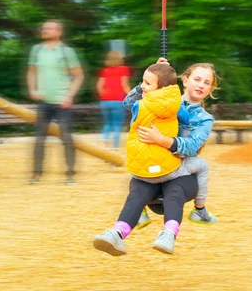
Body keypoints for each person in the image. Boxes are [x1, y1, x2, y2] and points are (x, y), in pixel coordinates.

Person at [93, 60, 220, 255]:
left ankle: (167, 236)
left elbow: (192, 146)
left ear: (211, 88)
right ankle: (116, 234)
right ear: (184, 80)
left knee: (175, 188)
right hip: (153, 171)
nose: (201, 84)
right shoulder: (158, 96)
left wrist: (162, 140)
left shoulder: (204, 118)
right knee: (138, 188)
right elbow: (128, 103)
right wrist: (158, 77)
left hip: (180, 173)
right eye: (197, 79)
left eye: (206, 82)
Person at [26, 20, 84, 185]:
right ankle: (36, 175)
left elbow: (79, 75)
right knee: (39, 139)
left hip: (62, 102)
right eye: (43, 28)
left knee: (66, 138)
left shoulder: (67, 52)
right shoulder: (36, 50)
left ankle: (70, 175)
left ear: (59, 32)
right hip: (43, 101)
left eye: (49, 28)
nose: (45, 30)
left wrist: (69, 95)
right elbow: (31, 72)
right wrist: (33, 89)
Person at [96, 50, 131, 150]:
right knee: (117, 124)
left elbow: (99, 86)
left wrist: (105, 95)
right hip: (118, 100)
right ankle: (115, 147)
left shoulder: (105, 70)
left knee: (108, 123)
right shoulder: (124, 69)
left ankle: (104, 140)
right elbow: (125, 85)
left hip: (105, 101)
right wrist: (131, 97)